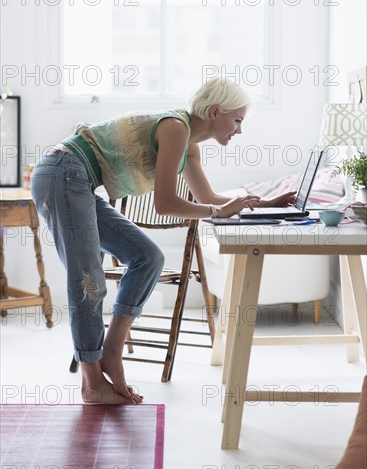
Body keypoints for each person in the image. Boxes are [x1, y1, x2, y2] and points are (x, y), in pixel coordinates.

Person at [31, 78, 296, 405]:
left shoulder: (190, 146)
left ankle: (111, 351)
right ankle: (92, 384)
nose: (239, 130)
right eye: (237, 120)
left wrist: (263, 204)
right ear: (215, 112)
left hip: (76, 179)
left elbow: (208, 198)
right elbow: (166, 204)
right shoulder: (175, 128)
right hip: (62, 172)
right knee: (88, 280)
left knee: (148, 258)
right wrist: (218, 209)